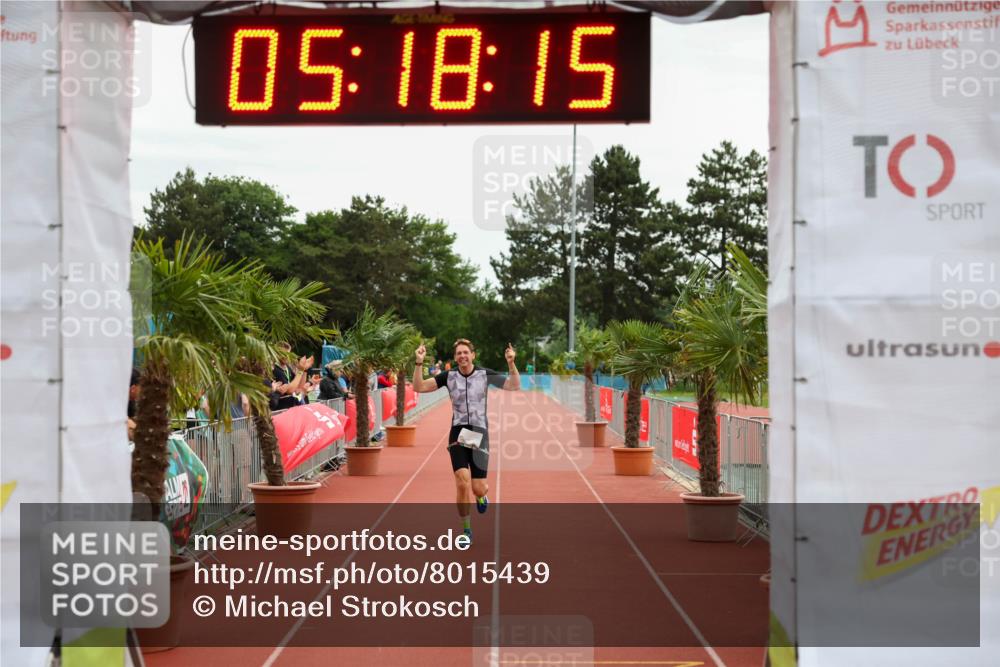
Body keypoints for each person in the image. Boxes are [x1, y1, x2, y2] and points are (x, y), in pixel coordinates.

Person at [412, 338, 520, 543]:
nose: (462, 356)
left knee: (477, 487)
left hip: (479, 432)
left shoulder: (484, 374)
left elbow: (514, 385)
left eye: (466, 352)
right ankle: (466, 531)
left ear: (473, 355)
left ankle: (481, 496)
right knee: (462, 481)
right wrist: (419, 363)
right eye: (459, 353)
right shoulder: (448, 376)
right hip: (458, 432)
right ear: (455, 357)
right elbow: (419, 387)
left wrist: (511, 363)